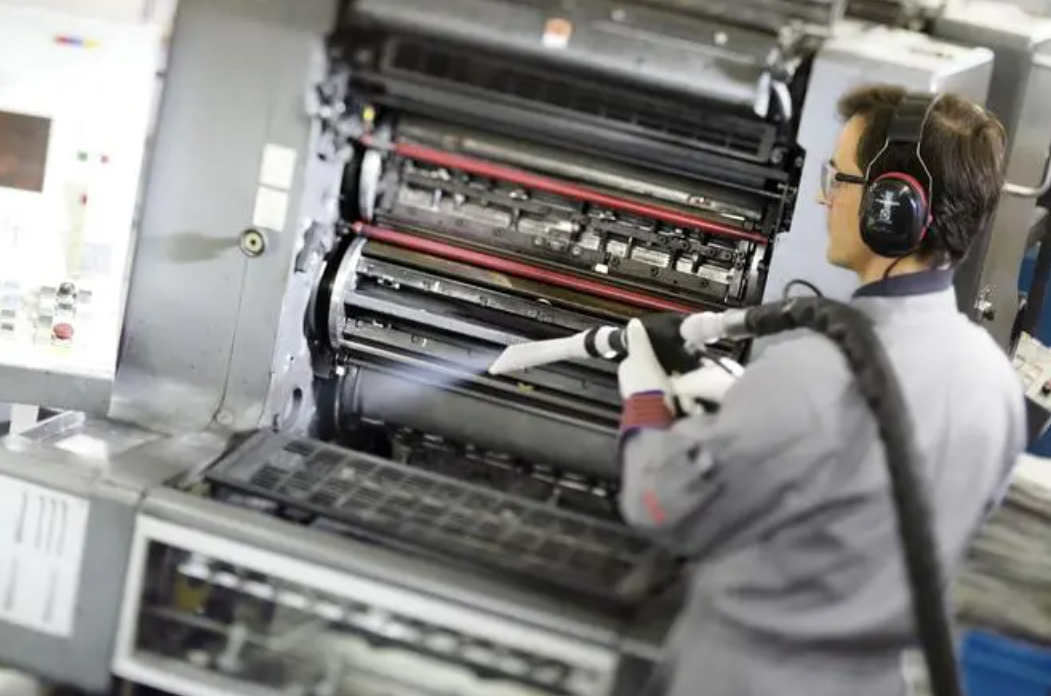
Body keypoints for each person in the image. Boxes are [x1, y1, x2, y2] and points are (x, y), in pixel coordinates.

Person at [616, 84, 1026, 696]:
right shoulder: (992, 380)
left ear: (892, 206)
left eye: (838, 178)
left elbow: (658, 505)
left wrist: (644, 402)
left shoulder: (810, 374)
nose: (820, 196)